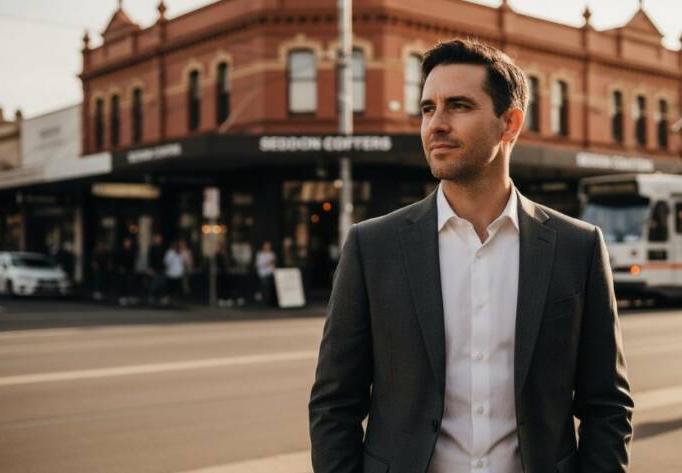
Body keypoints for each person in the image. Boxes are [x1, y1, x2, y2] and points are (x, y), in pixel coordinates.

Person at [309, 39, 633, 473]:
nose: (435, 124)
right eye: (427, 109)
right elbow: (334, 404)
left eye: (458, 106)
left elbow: (607, 404)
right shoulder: (372, 247)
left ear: (510, 124)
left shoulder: (578, 247)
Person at [115, 236, 137, 305]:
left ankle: (129, 297)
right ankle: (123, 297)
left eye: (129, 242)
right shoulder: (121, 250)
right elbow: (118, 259)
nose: (128, 243)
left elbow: (133, 259)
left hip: (130, 269)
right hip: (123, 269)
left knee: (130, 283)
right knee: (123, 283)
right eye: (127, 242)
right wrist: (120, 267)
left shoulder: (132, 250)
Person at [255, 241, 277, 306]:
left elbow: (272, 262)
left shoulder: (272, 254)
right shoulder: (259, 254)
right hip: (262, 273)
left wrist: (267, 263)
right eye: (266, 245)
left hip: (270, 273)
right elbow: (258, 264)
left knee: (269, 288)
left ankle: (269, 302)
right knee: (264, 287)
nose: (267, 247)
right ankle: (264, 301)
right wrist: (266, 263)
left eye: (268, 245)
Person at [164, 241, 185, 305]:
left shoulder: (180, 253)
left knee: (177, 288)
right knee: (170, 287)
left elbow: (182, 263)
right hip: (171, 273)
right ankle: (170, 299)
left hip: (178, 274)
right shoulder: (170, 253)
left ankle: (175, 299)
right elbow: (166, 262)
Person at [147, 233, 166, 305]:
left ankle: (160, 297)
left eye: (159, 238)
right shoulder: (152, 248)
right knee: (154, 283)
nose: (158, 240)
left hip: (161, 268)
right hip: (154, 268)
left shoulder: (162, 248)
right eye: (157, 238)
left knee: (161, 283)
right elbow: (150, 259)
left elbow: (165, 259)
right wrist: (150, 268)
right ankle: (152, 296)